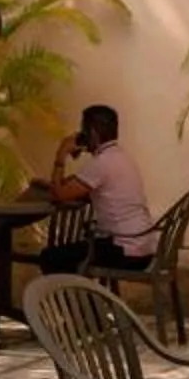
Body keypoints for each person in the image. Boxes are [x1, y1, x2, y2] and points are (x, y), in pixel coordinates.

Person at [37, 104, 157, 273]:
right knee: (68, 254)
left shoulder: (101, 163)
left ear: (92, 133)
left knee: (51, 257)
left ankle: (74, 299)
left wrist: (61, 154)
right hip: (142, 247)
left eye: (83, 131)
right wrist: (55, 183)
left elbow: (59, 195)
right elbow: (76, 186)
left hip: (124, 250)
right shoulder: (121, 156)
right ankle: (81, 297)